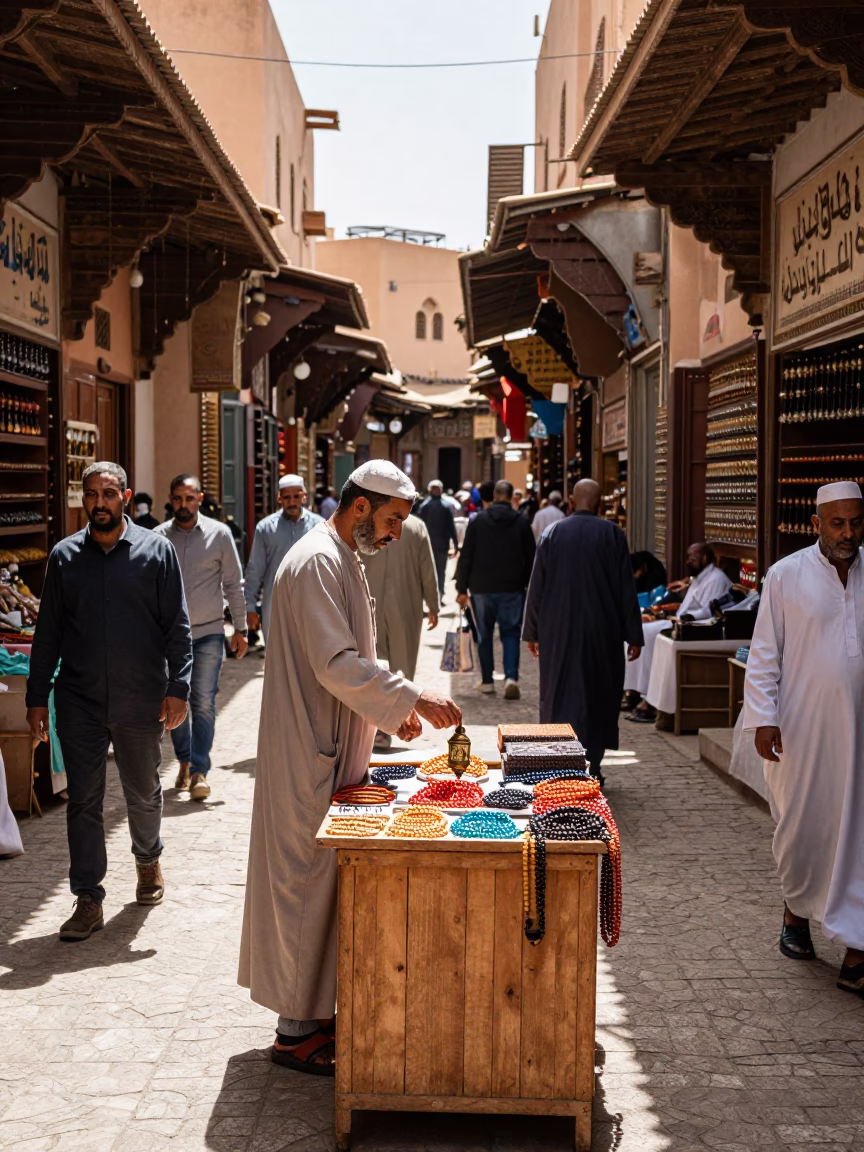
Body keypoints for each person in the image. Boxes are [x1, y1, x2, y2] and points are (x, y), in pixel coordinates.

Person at [238, 460, 461, 1074]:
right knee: (303, 886)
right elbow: (337, 663)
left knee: (320, 883)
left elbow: (355, 658)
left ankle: (312, 1017)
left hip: (329, 740)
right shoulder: (316, 561)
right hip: (308, 747)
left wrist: (390, 712)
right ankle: (295, 1032)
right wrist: (411, 697)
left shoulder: (340, 557)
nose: (394, 535)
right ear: (360, 507)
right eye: (390, 521)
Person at [25, 462, 192, 941]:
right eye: (92, 494)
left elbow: (176, 627)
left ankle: (148, 861)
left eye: (109, 494)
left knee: (143, 791)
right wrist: (37, 698)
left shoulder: (156, 552)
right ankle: (88, 898)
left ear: (127, 497)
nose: (100, 503)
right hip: (78, 700)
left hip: (140, 698)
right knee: (85, 801)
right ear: (82, 499)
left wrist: (177, 687)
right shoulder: (63, 557)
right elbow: (48, 633)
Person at [743, 482, 864, 993]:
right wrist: (763, 717)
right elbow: (765, 651)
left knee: (858, 832)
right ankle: (796, 911)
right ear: (816, 523)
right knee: (805, 824)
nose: (848, 533)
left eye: (856, 522)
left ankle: (856, 945)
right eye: (837, 523)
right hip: (803, 729)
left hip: (861, 731)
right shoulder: (787, 575)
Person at [523, 479, 643, 784]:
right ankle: (595, 766)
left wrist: (532, 631)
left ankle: (561, 765)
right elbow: (626, 589)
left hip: (558, 628)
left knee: (558, 692)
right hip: (602, 630)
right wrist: (634, 634)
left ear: (572, 502)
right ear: (600, 503)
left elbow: (536, 587)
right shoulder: (613, 534)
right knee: (599, 694)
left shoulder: (553, 533)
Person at [154, 475, 248, 802]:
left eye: (189, 499)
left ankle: (199, 771)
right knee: (174, 703)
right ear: (170, 499)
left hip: (208, 633)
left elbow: (234, 584)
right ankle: (183, 760)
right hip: (168, 639)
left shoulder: (220, 535)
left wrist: (240, 628)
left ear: (200, 498)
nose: (183, 505)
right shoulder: (157, 538)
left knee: (204, 703)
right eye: (178, 499)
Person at [626, 542, 731, 724]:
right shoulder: (698, 578)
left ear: (705, 558)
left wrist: (680, 618)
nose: (689, 561)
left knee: (649, 634)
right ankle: (634, 690)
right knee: (641, 629)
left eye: (694, 558)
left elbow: (707, 611)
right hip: (679, 620)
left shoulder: (716, 578)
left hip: (696, 627)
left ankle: (649, 698)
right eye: (688, 557)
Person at [363, 512, 440, 750]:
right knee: (401, 666)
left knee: (373, 665)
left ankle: (379, 728)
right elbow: (427, 567)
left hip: (369, 603)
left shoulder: (368, 523)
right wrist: (433, 604)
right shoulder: (417, 526)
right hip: (405, 606)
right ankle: (397, 723)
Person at [454, 479, 536, 700]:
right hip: (512, 588)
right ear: (510, 497)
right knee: (510, 633)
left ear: (492, 497)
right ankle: (510, 677)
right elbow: (531, 557)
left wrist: (461, 588)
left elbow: (466, 556)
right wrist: (529, 586)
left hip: (481, 588)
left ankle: (488, 680)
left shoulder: (478, 521)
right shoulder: (521, 522)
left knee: (484, 634)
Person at [244, 474, 323, 640]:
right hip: (275, 607)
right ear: (279, 498)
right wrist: (249, 607)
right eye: (287, 497)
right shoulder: (265, 528)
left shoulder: (319, 526)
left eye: (296, 496)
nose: (292, 502)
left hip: (312, 606)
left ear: (304, 497)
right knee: (277, 661)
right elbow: (255, 570)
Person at [416, 479, 458, 600]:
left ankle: (439, 595)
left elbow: (451, 526)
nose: (436, 490)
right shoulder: (424, 506)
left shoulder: (445, 506)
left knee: (440, 571)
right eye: (434, 488)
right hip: (427, 545)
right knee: (427, 572)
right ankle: (429, 596)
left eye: (437, 488)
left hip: (441, 546)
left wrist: (455, 544)